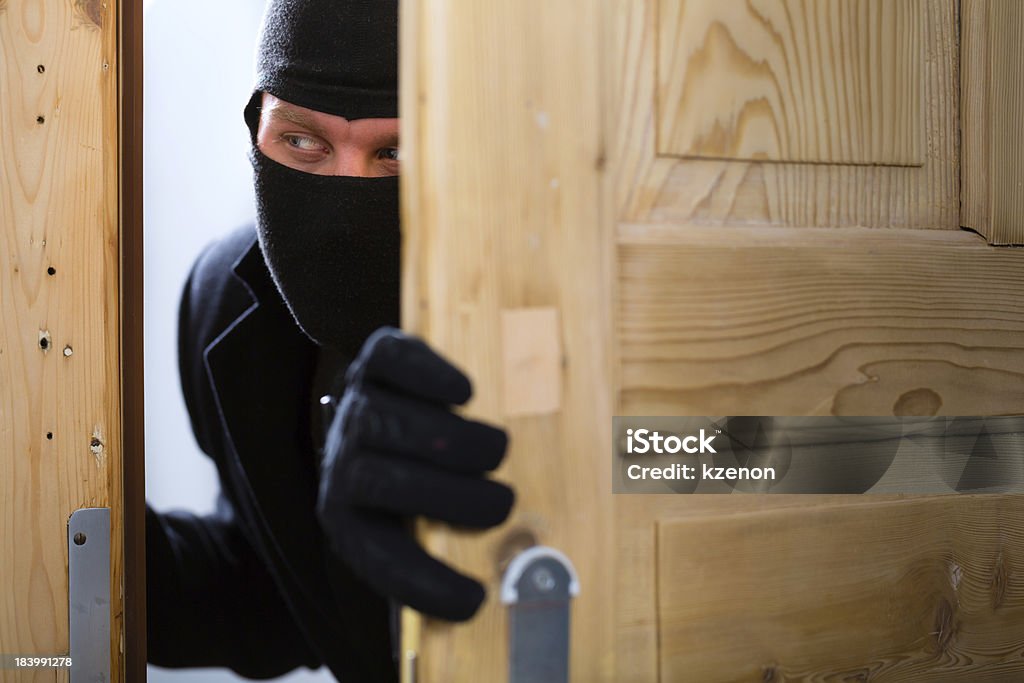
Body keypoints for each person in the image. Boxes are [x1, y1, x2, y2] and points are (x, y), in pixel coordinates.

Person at [145, 1, 515, 680]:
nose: (344, 196)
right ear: (256, 125)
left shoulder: (569, 317)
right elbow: (278, 588)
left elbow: (759, 456)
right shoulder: (226, 303)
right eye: (302, 142)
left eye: (396, 151)